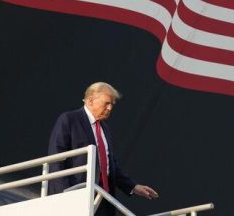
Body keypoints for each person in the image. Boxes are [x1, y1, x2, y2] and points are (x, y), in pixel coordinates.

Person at [48, 82, 158, 215]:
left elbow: (109, 165)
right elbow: (56, 159)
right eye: (106, 103)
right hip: (78, 196)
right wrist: (65, 195)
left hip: (103, 199)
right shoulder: (70, 120)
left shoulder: (104, 129)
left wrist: (133, 186)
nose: (110, 108)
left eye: (112, 104)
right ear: (90, 100)